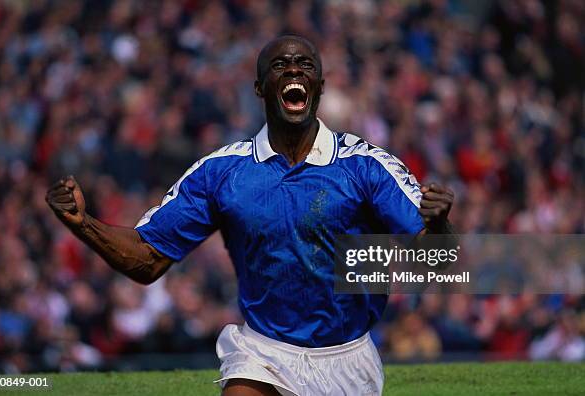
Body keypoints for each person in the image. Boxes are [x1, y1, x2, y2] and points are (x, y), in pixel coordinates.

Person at [47, 35, 454, 396]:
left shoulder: (365, 165)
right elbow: (148, 258)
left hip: (348, 359)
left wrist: (438, 226)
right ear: (260, 88)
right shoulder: (221, 172)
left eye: (305, 65)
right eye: (280, 65)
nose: (294, 68)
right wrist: (85, 225)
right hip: (264, 353)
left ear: (320, 87)